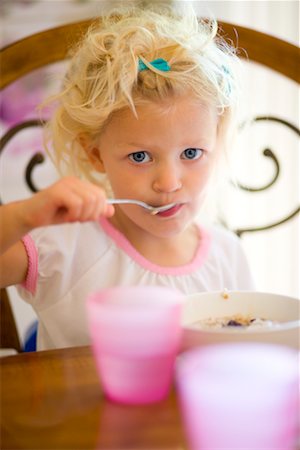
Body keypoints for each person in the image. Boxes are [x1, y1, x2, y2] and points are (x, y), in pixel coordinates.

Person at [0, 1, 255, 350]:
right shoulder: (63, 247)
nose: (168, 183)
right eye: (140, 156)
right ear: (95, 154)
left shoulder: (228, 256)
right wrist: (23, 216)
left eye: (191, 153)